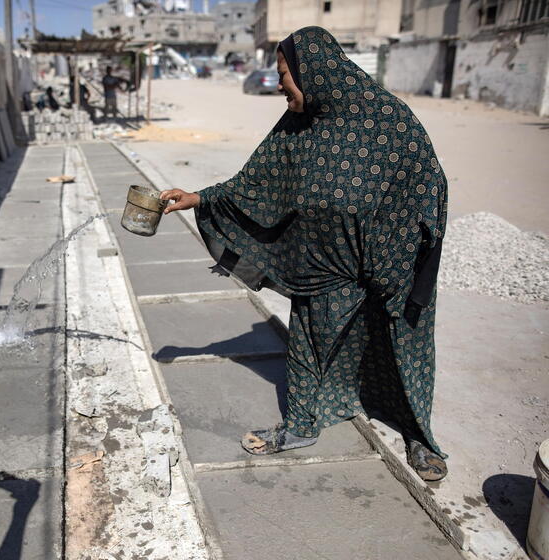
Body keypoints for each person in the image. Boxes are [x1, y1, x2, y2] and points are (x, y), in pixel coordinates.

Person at [159, 26, 449, 482]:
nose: (279, 85)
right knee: (309, 345)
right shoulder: (299, 123)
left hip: (390, 264)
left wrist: (400, 257)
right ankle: (300, 426)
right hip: (323, 265)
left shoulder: (390, 120)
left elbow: (428, 186)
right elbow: (255, 182)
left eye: (284, 74)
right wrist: (198, 198)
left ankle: (418, 436)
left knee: (401, 349)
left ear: (314, 71)